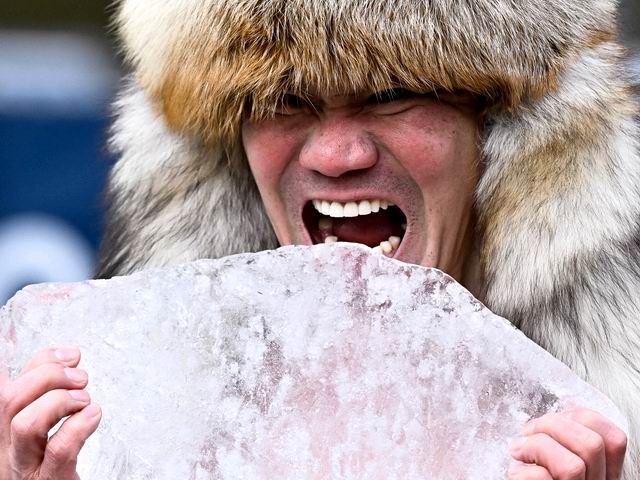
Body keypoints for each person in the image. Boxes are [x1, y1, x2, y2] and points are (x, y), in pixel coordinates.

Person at [1, 0, 637, 478]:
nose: (337, 155)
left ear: (508, 132)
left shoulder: (608, 414)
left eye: (393, 94)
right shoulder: (122, 411)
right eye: (285, 99)